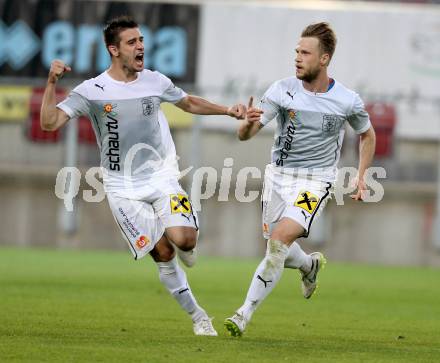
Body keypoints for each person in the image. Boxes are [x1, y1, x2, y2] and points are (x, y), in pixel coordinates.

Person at [40, 15, 246, 336]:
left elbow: (188, 102)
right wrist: (51, 83)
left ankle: (188, 247)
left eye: (142, 41)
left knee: (184, 239)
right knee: (163, 254)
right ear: (114, 49)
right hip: (122, 187)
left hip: (161, 176)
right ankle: (199, 317)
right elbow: (50, 123)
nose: (141, 47)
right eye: (132, 42)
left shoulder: (154, 81)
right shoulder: (92, 90)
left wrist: (227, 111)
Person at [224, 22, 376, 337]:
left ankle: (243, 314)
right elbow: (245, 135)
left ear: (324, 59)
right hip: (278, 177)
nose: (297, 57)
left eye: (305, 53)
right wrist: (248, 124)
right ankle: (309, 265)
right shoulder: (281, 90)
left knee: (279, 241)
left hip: (315, 182)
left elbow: (367, 135)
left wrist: (361, 177)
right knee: (276, 245)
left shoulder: (347, 100)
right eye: (296, 51)